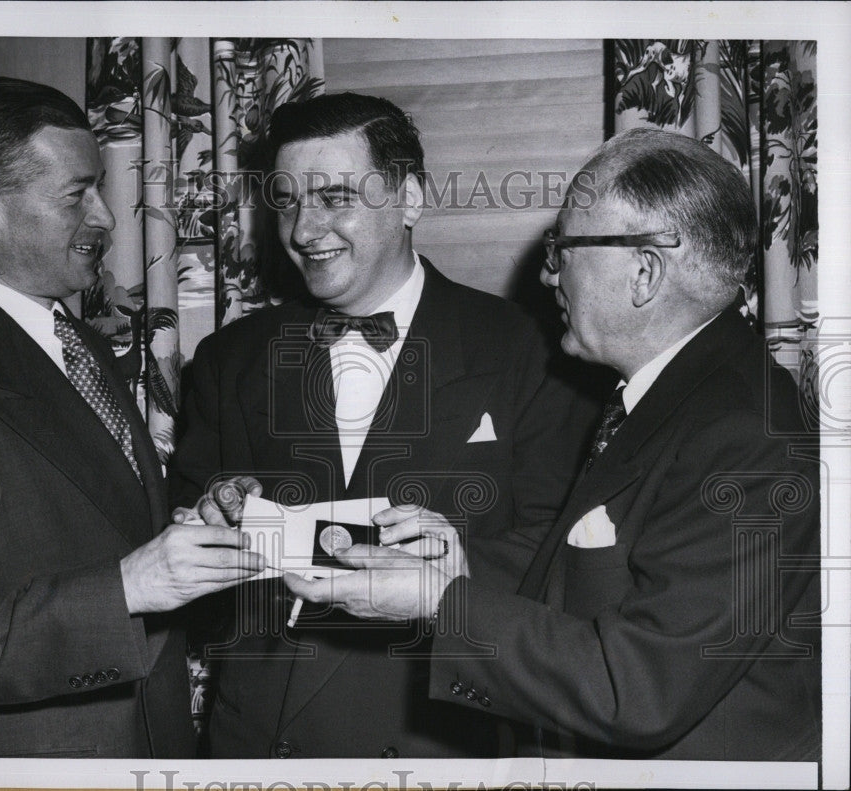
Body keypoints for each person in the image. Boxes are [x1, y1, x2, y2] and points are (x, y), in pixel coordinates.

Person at [288, 127, 821, 761]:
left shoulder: (743, 432)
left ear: (644, 272)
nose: (547, 275)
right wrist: (456, 567)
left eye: (563, 249)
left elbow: (639, 689)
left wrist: (442, 602)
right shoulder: (671, 393)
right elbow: (587, 585)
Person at [168, 92, 602, 758]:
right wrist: (214, 513)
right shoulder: (229, 359)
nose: (305, 231)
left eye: (336, 197)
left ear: (410, 199)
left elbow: (559, 554)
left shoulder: (531, 352)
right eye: (286, 201)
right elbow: (191, 564)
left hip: (438, 736)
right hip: (264, 744)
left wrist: (442, 568)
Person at [0, 76, 265, 758]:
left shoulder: (82, 343)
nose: (106, 218)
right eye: (77, 194)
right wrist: (127, 588)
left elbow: (106, 527)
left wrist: (196, 522)